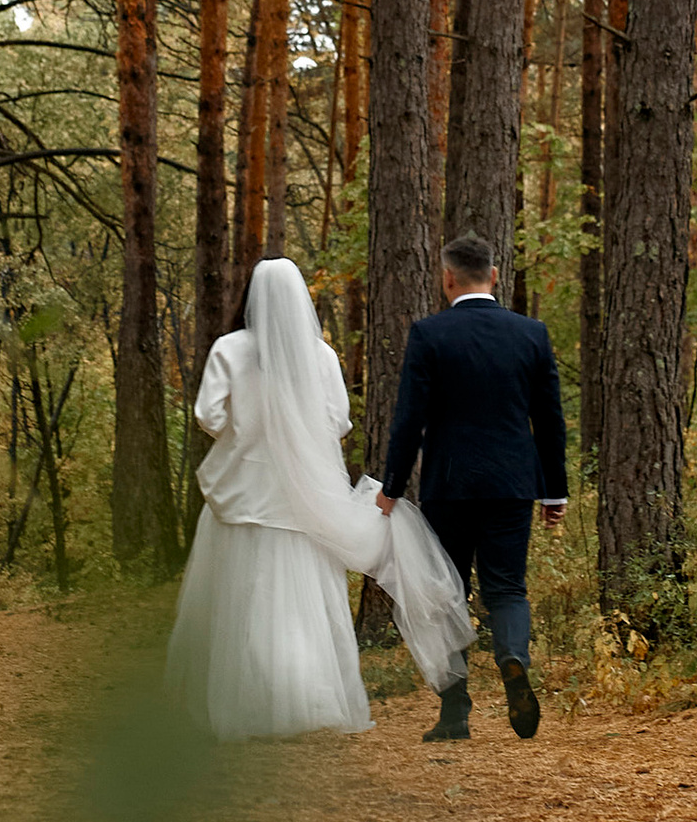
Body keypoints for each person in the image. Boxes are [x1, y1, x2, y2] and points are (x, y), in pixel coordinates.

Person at [165, 256, 471, 743]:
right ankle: (308, 698)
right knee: (304, 602)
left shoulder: (229, 348)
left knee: (238, 598)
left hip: (244, 490)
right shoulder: (322, 356)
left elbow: (210, 416)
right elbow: (338, 422)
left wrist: (248, 430)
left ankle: (243, 702)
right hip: (305, 496)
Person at [377, 232, 568, 744]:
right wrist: (554, 492)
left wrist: (391, 486)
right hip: (512, 484)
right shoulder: (531, 333)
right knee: (507, 589)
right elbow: (549, 419)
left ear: (447, 278)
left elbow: (409, 419)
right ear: (494, 275)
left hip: (449, 485)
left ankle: (454, 714)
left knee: (449, 593)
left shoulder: (430, 334)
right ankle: (513, 658)